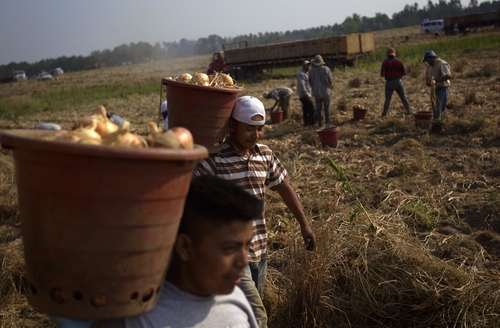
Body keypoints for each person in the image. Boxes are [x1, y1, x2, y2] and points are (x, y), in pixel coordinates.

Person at [52, 175, 262, 328]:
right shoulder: (137, 318)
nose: (244, 260)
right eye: (229, 249)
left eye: (246, 245)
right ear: (184, 246)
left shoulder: (236, 300)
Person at [195, 95, 316, 328]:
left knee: (245, 313)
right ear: (232, 126)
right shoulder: (217, 159)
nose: (256, 134)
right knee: (256, 317)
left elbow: (283, 186)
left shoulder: (265, 154)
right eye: (249, 128)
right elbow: (190, 185)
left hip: (260, 248)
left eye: (260, 129)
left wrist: (304, 225)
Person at [380, 48, 412, 117]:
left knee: (388, 100)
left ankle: (384, 114)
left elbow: (382, 74)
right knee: (403, 98)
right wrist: (398, 76)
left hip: (389, 82)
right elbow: (404, 72)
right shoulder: (400, 62)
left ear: (387, 55)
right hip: (398, 81)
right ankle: (409, 111)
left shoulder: (385, 63)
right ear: (394, 54)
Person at [423, 50, 452, 120]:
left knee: (439, 106)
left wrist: (436, 80)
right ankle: (437, 120)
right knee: (434, 106)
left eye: (429, 60)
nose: (428, 62)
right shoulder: (429, 67)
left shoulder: (441, 64)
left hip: (442, 88)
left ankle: (438, 122)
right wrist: (428, 82)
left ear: (433, 58)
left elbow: (448, 76)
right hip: (434, 89)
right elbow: (427, 78)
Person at [308, 54, 333, 128]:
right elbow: (330, 80)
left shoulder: (311, 71)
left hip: (316, 92)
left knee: (318, 109)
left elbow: (310, 82)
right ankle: (328, 123)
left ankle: (320, 123)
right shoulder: (326, 69)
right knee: (327, 108)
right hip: (326, 92)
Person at [296, 60, 316, 126]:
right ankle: (312, 123)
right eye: (306, 65)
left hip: (307, 93)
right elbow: (302, 85)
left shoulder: (306, 73)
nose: (308, 67)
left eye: (308, 65)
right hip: (304, 95)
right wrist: (306, 94)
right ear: (303, 66)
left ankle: (306, 123)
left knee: (305, 109)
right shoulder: (301, 74)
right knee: (311, 109)